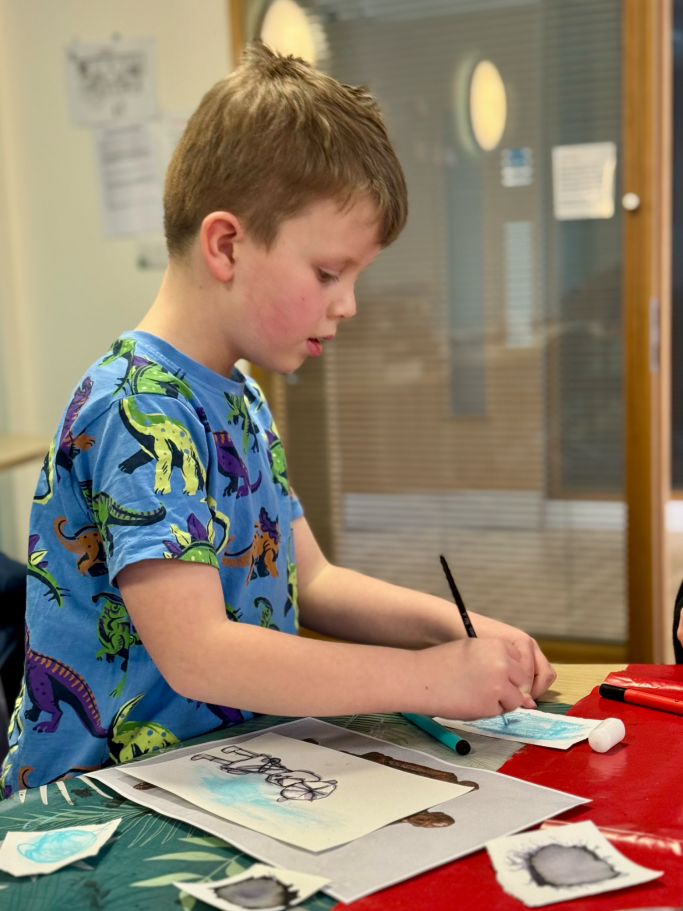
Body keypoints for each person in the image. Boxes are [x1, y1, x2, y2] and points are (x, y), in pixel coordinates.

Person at [1, 43, 555, 796]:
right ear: (226, 245)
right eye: (328, 273)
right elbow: (201, 654)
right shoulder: (135, 405)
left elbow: (313, 579)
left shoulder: (241, 396)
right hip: (99, 802)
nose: (347, 304)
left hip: (217, 773)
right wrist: (429, 679)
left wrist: (457, 630)